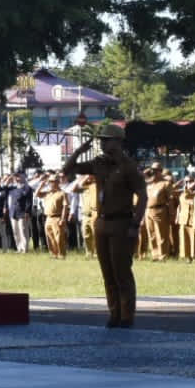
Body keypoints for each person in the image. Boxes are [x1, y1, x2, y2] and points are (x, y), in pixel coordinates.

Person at [61, 122, 147, 328]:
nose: (102, 143)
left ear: (118, 142)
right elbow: (67, 169)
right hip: (102, 222)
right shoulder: (99, 164)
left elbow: (142, 196)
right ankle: (114, 313)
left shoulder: (129, 166)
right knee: (107, 271)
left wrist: (135, 223)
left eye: (106, 140)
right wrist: (79, 151)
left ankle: (127, 315)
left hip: (122, 222)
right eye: (101, 140)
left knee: (121, 271)